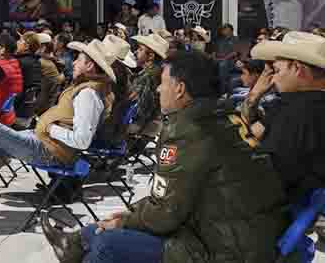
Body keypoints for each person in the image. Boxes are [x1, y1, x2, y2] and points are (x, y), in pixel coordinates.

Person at [44, 51, 291, 263]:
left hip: (223, 249)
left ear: (180, 89)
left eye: (163, 82)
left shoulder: (187, 132)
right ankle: (75, 242)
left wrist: (126, 221)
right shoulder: (224, 116)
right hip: (243, 234)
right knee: (113, 226)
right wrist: (130, 214)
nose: (160, 89)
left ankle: (78, 244)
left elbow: (165, 215)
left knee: (107, 245)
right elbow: (172, 195)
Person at [0, 39, 116, 216]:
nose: (73, 63)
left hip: (50, 152)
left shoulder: (88, 94)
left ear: (89, 66)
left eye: (78, 60)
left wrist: (50, 129)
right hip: (44, 142)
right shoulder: (86, 88)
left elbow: (82, 140)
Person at [250, 31, 325, 201]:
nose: (273, 78)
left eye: (276, 70)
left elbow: (267, 180)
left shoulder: (293, 112)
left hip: (284, 210)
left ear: (297, 68)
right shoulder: (292, 106)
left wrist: (254, 95)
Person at [129, 33, 168, 135]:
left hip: (143, 127)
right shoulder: (159, 71)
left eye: (141, 49)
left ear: (151, 56)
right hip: (154, 125)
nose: (136, 52)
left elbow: (141, 109)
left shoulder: (147, 76)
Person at [14, 32, 43, 128]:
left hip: (17, 112)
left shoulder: (20, 63)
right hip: (28, 111)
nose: (17, 42)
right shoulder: (35, 62)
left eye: (20, 40)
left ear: (26, 46)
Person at [211, 23, 239, 95]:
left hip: (229, 61)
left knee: (223, 65)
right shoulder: (219, 40)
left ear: (230, 30)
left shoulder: (235, 39)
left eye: (225, 29)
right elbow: (214, 52)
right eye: (223, 29)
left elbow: (235, 53)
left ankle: (223, 92)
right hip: (218, 60)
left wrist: (224, 58)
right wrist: (214, 58)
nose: (223, 31)